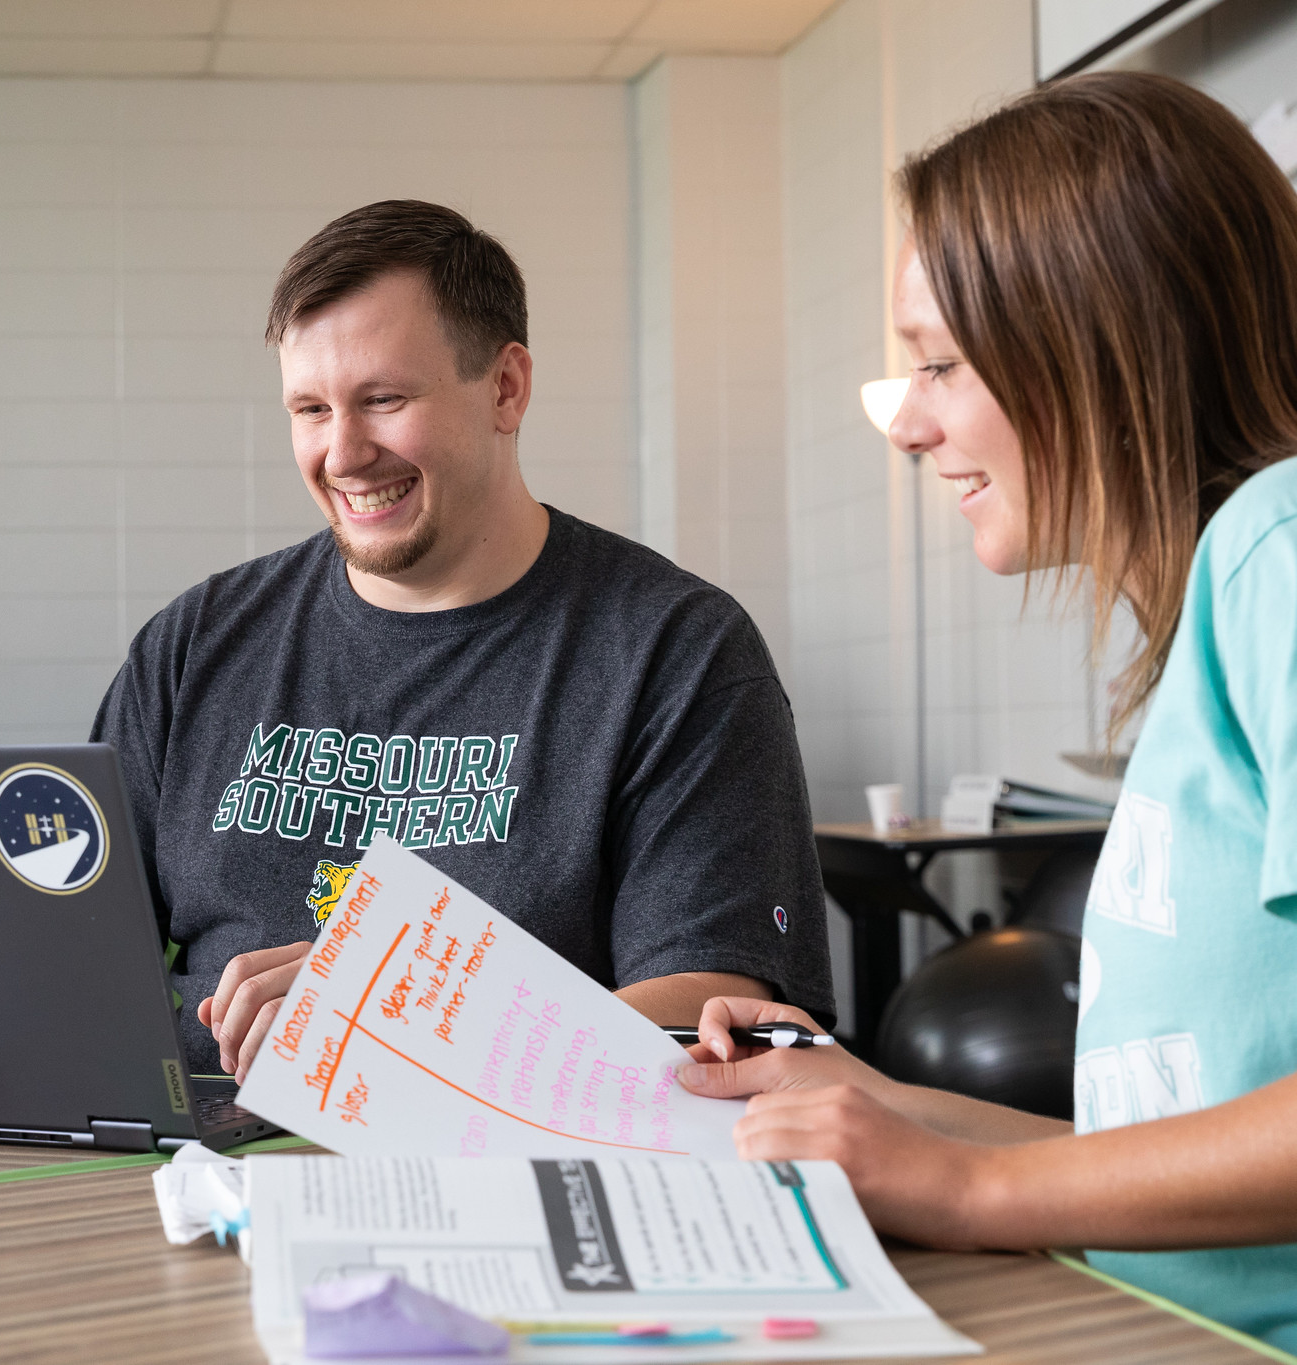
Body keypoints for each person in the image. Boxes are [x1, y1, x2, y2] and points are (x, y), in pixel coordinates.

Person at [678, 72, 1297, 1352]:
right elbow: (1157, 1169)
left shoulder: (1275, 548)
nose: (907, 424)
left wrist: (966, 1188)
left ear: (1096, 339)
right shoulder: (1219, 607)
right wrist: (885, 1109)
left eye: (941, 364)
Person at [92, 199, 833, 1081]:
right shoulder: (192, 646)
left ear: (507, 389)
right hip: (197, 1165)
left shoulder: (677, 653)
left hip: (508, 1174)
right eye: (311, 409)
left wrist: (401, 1016)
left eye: (383, 399)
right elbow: (70, 944)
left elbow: (709, 1015)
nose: (343, 452)